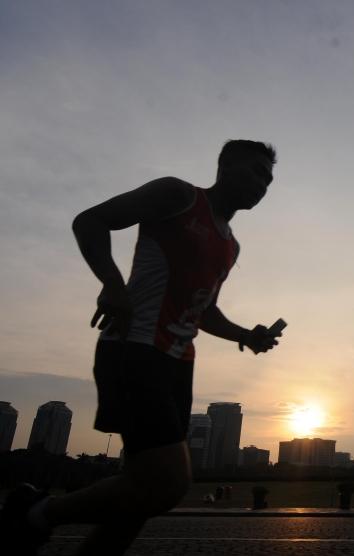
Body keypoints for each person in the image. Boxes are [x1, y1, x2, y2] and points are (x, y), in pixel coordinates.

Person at [1, 139, 282, 555]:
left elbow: (204, 312)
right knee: (168, 484)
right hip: (134, 348)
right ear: (225, 166)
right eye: (257, 171)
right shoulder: (179, 195)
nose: (264, 183)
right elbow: (90, 220)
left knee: (138, 495)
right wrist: (112, 284)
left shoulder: (230, 244)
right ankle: (36, 512)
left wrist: (246, 335)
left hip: (178, 365)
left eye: (270, 178)